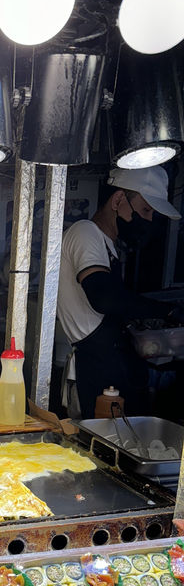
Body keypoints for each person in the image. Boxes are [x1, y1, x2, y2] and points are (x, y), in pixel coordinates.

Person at [57, 165, 183, 420]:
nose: (148, 220)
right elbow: (104, 297)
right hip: (96, 369)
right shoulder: (85, 232)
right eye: (146, 209)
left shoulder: (107, 247)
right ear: (118, 200)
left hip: (111, 367)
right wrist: (168, 311)